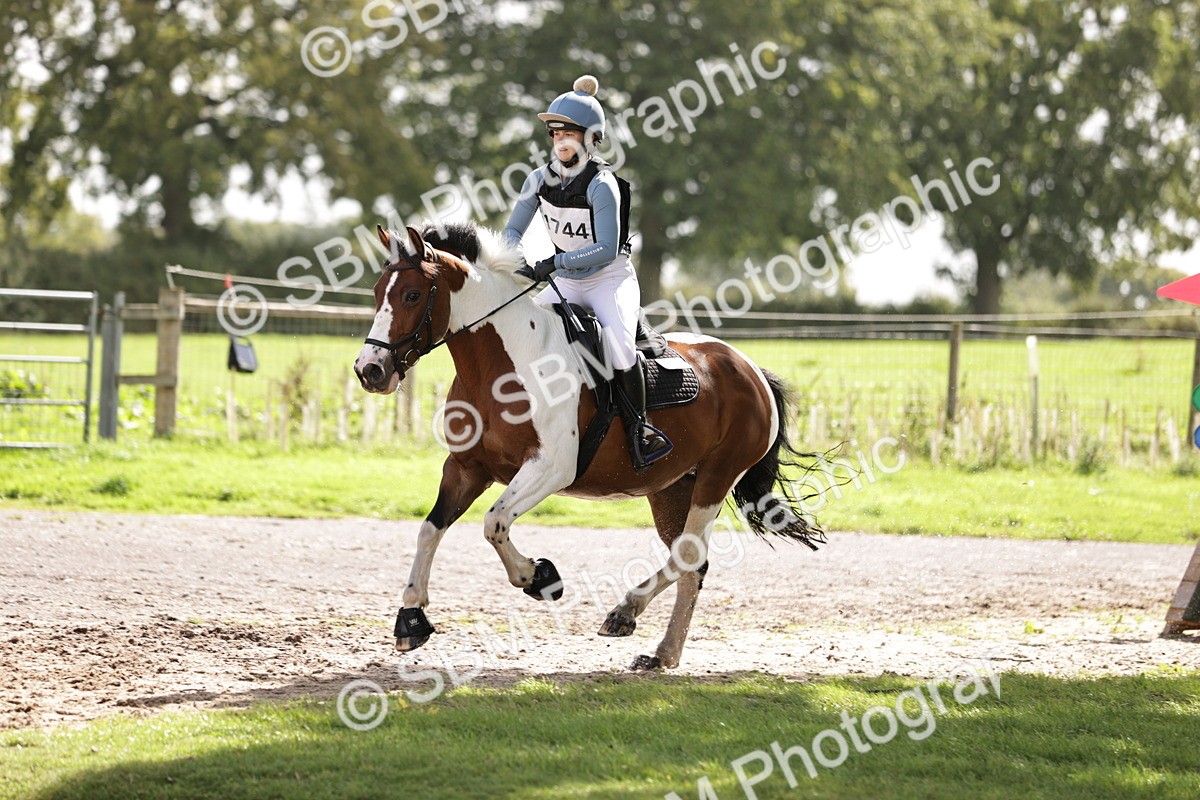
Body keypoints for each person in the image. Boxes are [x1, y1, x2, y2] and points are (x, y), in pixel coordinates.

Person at [504, 75, 672, 471]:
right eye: (555, 132)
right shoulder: (537, 181)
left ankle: (640, 430)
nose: (561, 140)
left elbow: (606, 249)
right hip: (565, 282)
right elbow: (512, 231)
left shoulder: (602, 184)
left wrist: (555, 262)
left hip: (608, 278)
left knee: (619, 347)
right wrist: (513, 261)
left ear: (590, 137)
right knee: (519, 331)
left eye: (570, 133)